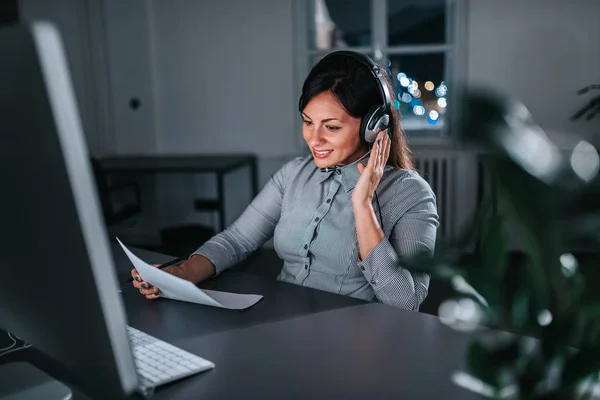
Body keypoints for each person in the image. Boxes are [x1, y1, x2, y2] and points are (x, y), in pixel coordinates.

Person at [131, 51, 439, 311]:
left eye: (331, 127)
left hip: (356, 343)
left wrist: (363, 206)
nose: (313, 138)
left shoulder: (411, 194)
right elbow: (238, 240)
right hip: (280, 321)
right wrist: (182, 273)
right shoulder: (294, 174)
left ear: (374, 126)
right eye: (307, 122)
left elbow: (407, 302)